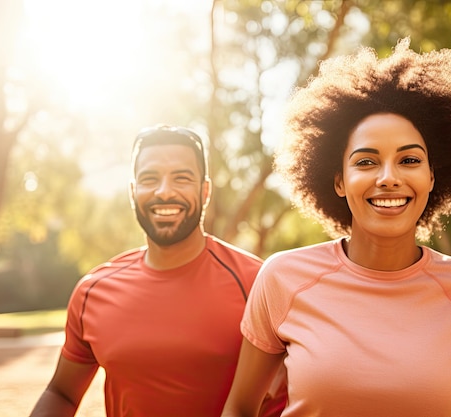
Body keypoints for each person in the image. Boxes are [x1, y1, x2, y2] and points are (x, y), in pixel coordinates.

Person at [221, 39, 451, 417]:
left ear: (432, 176)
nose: (388, 178)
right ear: (339, 181)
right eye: (366, 162)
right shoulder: (283, 278)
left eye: (409, 160)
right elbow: (239, 408)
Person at [30, 125, 286, 417]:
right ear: (133, 192)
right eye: (150, 179)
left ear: (205, 191)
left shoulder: (258, 283)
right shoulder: (93, 291)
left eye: (181, 178)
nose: (165, 192)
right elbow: (61, 393)